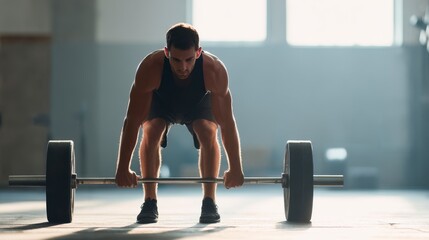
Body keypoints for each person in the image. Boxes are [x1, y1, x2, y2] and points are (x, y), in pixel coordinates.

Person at [115, 23, 244, 224]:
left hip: (198, 103)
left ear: (198, 53)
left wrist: (236, 167)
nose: (182, 67)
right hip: (162, 101)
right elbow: (132, 121)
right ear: (166, 52)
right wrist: (122, 167)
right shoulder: (150, 68)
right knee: (152, 129)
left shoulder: (214, 71)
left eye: (189, 59)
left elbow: (227, 123)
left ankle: (209, 201)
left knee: (207, 131)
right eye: (176, 60)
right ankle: (150, 201)